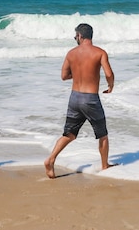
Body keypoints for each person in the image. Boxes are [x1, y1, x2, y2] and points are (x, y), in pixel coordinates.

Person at [44, 23, 115, 179]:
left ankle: (51, 159)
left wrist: (77, 75)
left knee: (69, 133)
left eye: (75, 36)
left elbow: (64, 76)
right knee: (102, 134)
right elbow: (109, 73)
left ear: (80, 36)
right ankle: (104, 165)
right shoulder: (100, 52)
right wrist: (110, 86)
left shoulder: (71, 53)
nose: (75, 38)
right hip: (90, 99)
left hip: (74, 97)